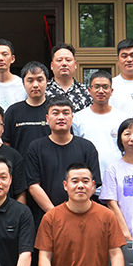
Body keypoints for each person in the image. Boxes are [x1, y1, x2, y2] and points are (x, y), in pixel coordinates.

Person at [26, 96, 102, 227]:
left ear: (72, 117)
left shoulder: (87, 147)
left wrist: (74, 211)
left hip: (82, 217)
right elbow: (33, 185)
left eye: (66, 113)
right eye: (55, 113)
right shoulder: (36, 147)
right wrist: (55, 214)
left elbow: (92, 184)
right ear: (47, 118)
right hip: (48, 218)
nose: (61, 117)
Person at [72, 71, 131, 181]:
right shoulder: (77, 118)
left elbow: (127, 149)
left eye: (105, 87)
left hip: (117, 178)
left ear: (111, 91)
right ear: (89, 90)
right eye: (96, 87)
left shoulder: (122, 118)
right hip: (88, 180)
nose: (101, 91)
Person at [2, 61, 50, 156]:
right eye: (30, 80)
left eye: (40, 80)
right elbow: (6, 144)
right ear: (23, 83)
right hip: (20, 164)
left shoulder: (55, 110)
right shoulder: (13, 111)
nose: (35, 85)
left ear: (47, 82)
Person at [45, 43, 91, 112]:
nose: (64, 63)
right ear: (52, 65)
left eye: (68, 60)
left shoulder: (86, 92)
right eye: (59, 60)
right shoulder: (43, 91)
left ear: (75, 65)